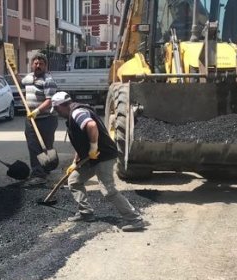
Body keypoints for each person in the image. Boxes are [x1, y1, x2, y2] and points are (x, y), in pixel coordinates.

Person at [50, 91, 146, 232]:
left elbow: (91, 126)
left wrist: (94, 147)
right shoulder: (74, 113)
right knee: (74, 180)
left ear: (60, 106)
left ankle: (135, 219)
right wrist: (74, 162)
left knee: (108, 190)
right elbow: (80, 141)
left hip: (103, 155)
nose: (57, 113)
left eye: (57, 110)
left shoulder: (77, 113)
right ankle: (86, 212)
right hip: (90, 158)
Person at [22, 53, 59, 186]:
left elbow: (50, 101)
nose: (38, 66)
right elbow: (21, 86)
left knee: (46, 146)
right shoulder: (27, 78)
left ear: (45, 66)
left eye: (41, 64)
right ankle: (39, 173)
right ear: (32, 65)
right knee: (33, 146)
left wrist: (37, 111)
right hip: (31, 119)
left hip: (46, 119)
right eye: (36, 63)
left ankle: (44, 169)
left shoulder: (48, 80)